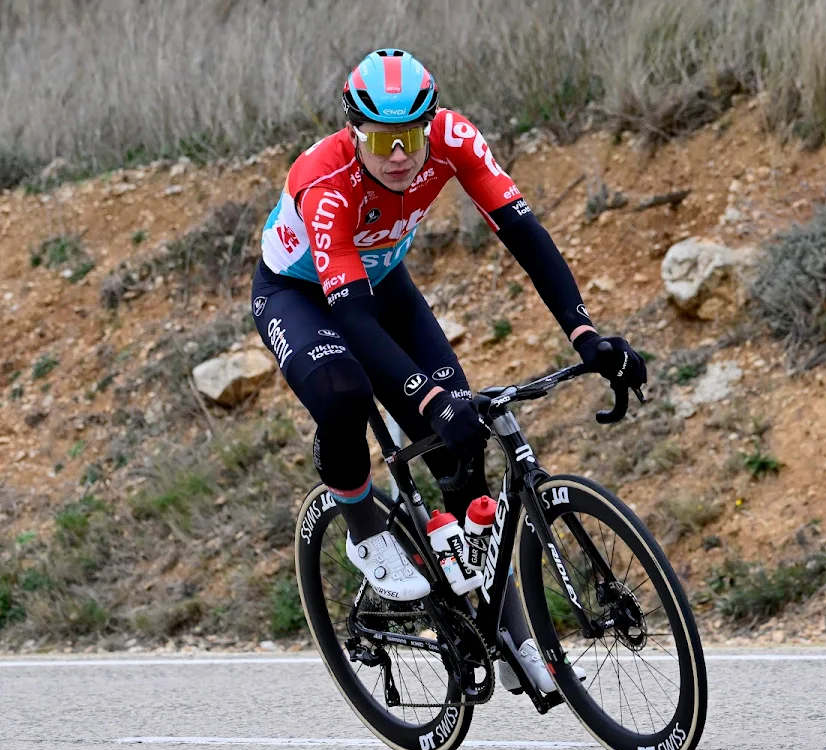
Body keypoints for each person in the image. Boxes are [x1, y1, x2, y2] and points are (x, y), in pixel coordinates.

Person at [252, 49, 647, 692]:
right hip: (300, 296)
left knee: (465, 448)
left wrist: (585, 334)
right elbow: (350, 317)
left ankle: (506, 624)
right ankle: (361, 524)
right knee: (346, 392)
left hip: (382, 284)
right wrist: (425, 397)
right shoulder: (324, 182)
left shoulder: (454, 139)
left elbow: (524, 233)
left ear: (430, 124)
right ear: (355, 131)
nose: (400, 155)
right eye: (382, 140)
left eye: (410, 136)